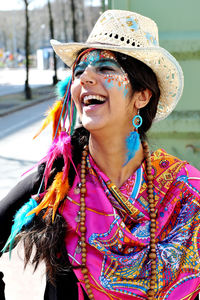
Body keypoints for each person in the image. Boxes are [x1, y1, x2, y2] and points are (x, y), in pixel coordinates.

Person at [0, 9, 200, 300]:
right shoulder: (54, 183)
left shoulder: (186, 191)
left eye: (106, 68)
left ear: (142, 96)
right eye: (79, 72)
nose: (86, 79)